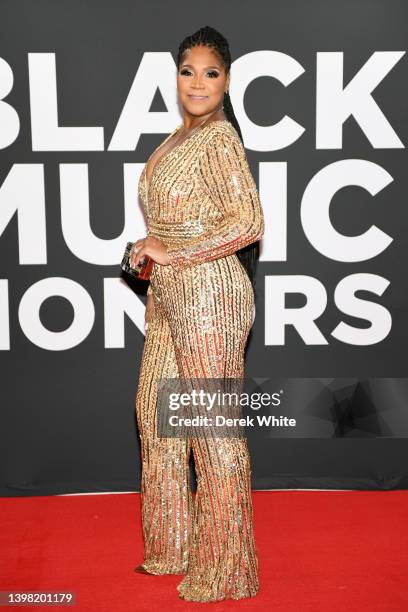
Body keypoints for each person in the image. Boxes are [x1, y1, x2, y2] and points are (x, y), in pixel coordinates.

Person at [130, 25, 265, 602]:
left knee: (211, 431)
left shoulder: (219, 140)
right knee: (155, 413)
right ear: (176, 77)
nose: (198, 82)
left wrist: (175, 251)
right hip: (170, 294)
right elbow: (179, 225)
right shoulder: (176, 139)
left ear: (227, 80)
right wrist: (148, 250)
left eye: (211, 72)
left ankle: (229, 568)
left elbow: (248, 222)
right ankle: (172, 545)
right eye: (188, 71)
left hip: (211, 293)